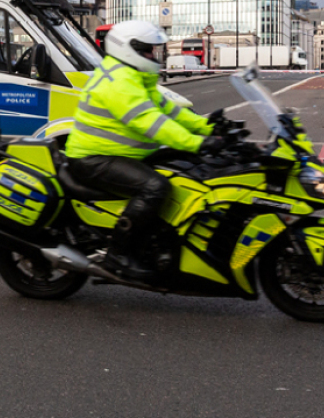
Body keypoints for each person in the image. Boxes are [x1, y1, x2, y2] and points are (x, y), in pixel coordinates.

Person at [64, 20, 223, 280]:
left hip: (120, 155)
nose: (154, 56)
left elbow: (171, 112)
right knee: (156, 187)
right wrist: (198, 142)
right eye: (149, 50)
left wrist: (208, 127)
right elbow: (152, 123)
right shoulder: (118, 81)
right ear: (130, 49)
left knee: (183, 168)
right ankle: (117, 255)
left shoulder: (136, 77)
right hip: (93, 159)